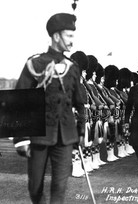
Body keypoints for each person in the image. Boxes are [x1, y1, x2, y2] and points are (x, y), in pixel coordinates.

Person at [13, 13, 85, 203]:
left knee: (59, 188)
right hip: (39, 135)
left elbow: (80, 103)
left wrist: (81, 133)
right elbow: (19, 100)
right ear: (56, 36)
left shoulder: (72, 67)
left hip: (66, 137)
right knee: (35, 187)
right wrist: (21, 139)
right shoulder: (34, 64)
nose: (72, 41)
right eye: (68, 36)